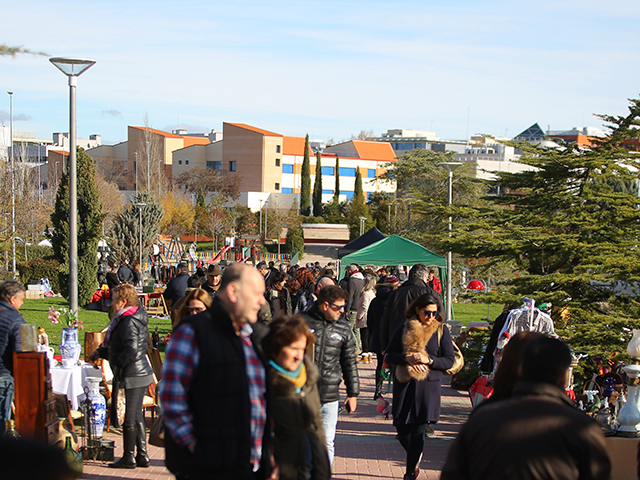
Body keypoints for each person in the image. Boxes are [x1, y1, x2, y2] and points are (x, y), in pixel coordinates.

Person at [160, 264, 276, 480]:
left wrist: (269, 454)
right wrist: (200, 449)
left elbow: (261, 401)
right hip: (208, 468)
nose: (262, 301)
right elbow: (171, 400)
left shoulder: (251, 337)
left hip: (249, 466)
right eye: (257, 294)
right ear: (233, 292)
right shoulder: (193, 332)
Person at [441, 335, 611, 480]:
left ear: (521, 369)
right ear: (563, 376)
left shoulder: (482, 419)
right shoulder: (582, 428)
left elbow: (453, 473)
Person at [385, 293, 454, 480]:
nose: (431, 317)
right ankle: (416, 456)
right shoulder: (403, 328)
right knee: (401, 429)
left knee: (419, 430)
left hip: (428, 387)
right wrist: (406, 358)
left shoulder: (441, 331)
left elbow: (449, 360)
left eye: (435, 313)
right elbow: (389, 355)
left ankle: (409, 473)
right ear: (417, 309)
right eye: (427, 312)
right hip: (405, 385)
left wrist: (429, 359)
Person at [91, 284, 154, 469]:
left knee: (130, 417)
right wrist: (102, 353)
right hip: (137, 372)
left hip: (133, 373)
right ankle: (141, 455)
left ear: (123, 301)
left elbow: (131, 349)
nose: (111, 303)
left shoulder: (127, 321)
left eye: (114, 299)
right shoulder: (129, 318)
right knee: (136, 416)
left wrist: (117, 364)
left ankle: (129, 456)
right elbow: (119, 346)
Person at [262, 316, 330, 480]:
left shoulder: (308, 378)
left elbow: (318, 426)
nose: (299, 356)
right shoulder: (263, 382)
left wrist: (324, 468)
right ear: (276, 347)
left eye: (302, 349)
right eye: (293, 348)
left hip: (311, 466)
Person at [301, 285, 359, 466]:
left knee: (326, 442)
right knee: (301, 442)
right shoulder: (301, 323)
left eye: (344, 306)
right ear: (325, 305)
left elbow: (349, 362)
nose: (342, 311)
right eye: (338, 307)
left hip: (329, 394)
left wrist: (353, 393)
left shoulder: (343, 329)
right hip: (301, 394)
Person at [380, 264, 438, 353]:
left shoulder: (396, 294)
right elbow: (441, 318)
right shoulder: (430, 293)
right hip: (425, 342)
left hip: (398, 340)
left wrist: (384, 345)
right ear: (424, 276)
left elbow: (385, 320)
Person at [0, 280, 26, 435]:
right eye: (21, 299)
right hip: (3, 375)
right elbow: (21, 352)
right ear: (12, 299)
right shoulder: (14, 319)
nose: (22, 303)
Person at [367, 276, 398, 400]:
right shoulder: (395, 300)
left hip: (378, 335)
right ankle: (396, 391)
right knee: (395, 364)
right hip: (392, 335)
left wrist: (372, 333)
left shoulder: (375, 300)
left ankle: (377, 390)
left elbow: (369, 320)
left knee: (380, 364)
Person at [342, 264, 365, 353]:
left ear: (349, 271)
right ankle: (358, 347)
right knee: (356, 329)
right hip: (359, 306)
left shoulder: (352, 281)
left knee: (349, 327)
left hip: (352, 308)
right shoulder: (362, 280)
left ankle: (356, 348)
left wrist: (347, 309)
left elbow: (349, 296)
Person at [356, 274, 377, 356]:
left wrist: (359, 316)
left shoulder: (365, 293)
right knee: (368, 336)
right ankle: (368, 353)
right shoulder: (372, 292)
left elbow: (365, 306)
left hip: (364, 317)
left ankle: (365, 353)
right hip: (369, 316)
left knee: (364, 336)